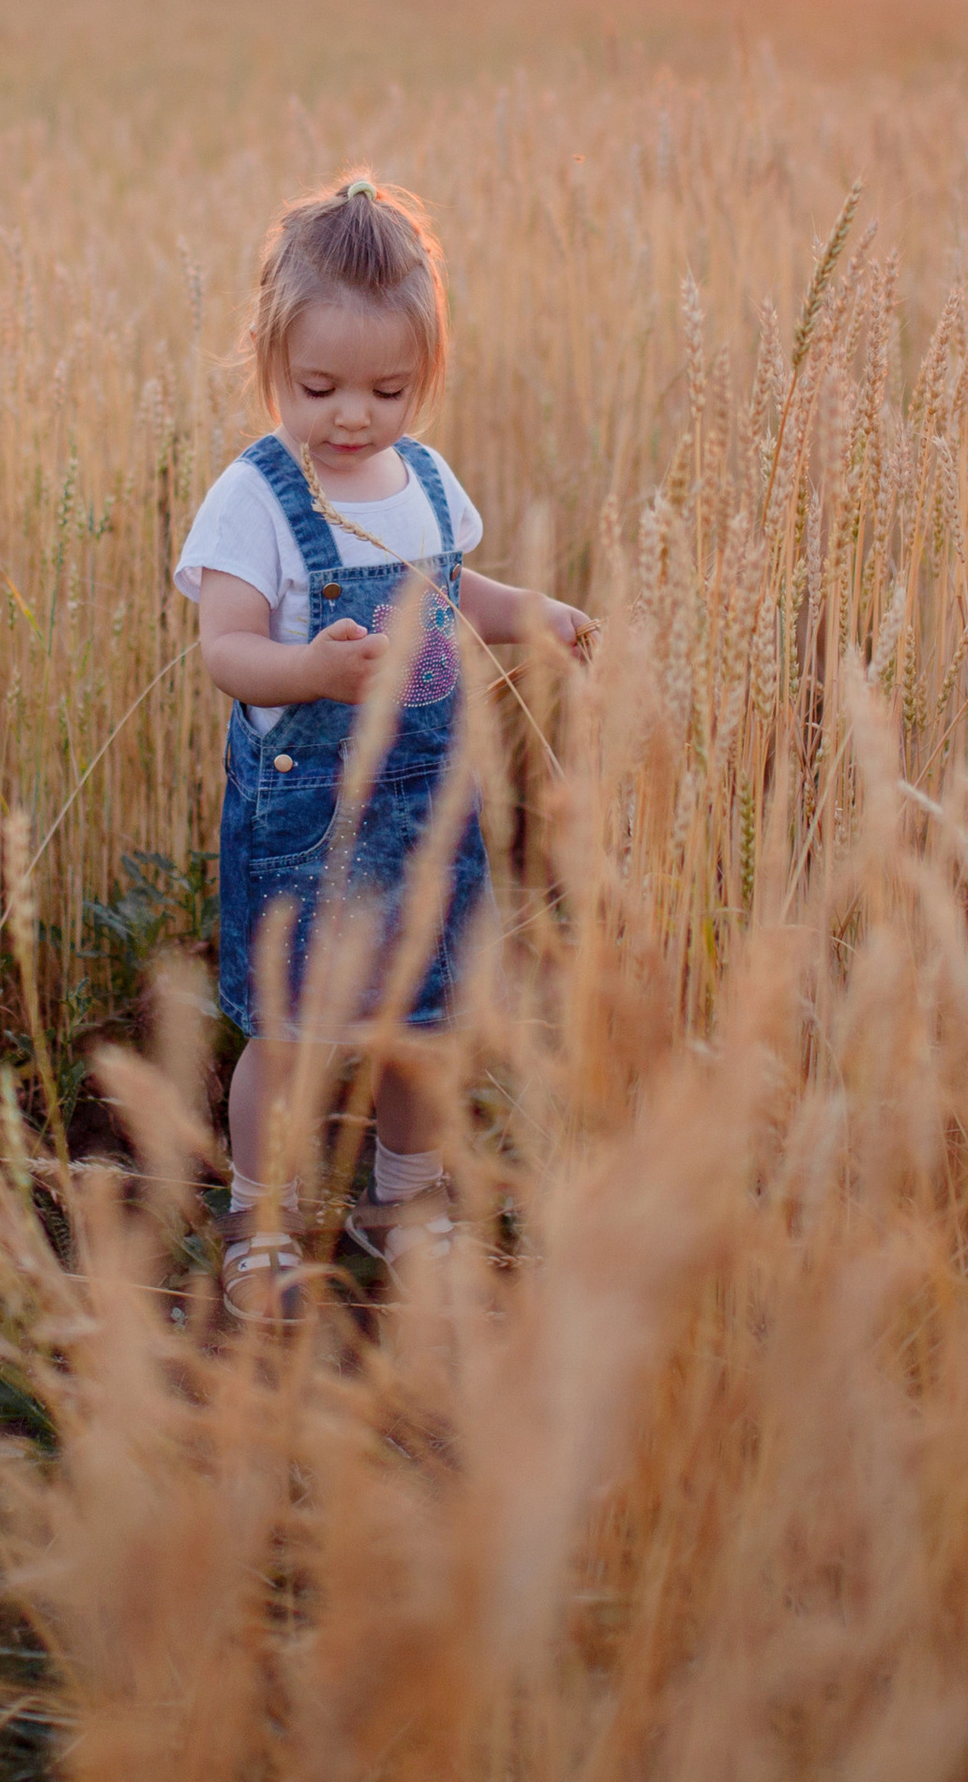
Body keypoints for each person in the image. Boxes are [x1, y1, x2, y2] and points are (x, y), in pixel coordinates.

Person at [172, 170, 592, 1324]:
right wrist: (310, 670)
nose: (350, 415)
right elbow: (225, 647)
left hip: (430, 814)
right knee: (290, 1032)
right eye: (317, 387)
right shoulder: (252, 501)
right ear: (268, 358)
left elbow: (458, 589)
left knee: (425, 1023)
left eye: (386, 388)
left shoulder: (423, 483)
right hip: (306, 819)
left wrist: (535, 615)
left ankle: (400, 1196)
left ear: (425, 377)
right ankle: (261, 1219)